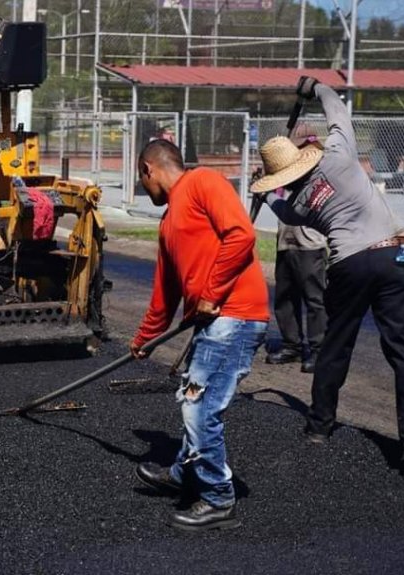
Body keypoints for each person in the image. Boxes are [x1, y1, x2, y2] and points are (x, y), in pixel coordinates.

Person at [250, 77, 404, 459]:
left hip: (348, 264)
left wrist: (266, 193)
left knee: (336, 344)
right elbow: (337, 110)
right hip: (392, 256)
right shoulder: (338, 155)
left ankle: (320, 425)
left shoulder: (302, 204)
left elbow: (283, 209)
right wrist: (316, 87)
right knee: (401, 349)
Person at [130, 139, 270, 531]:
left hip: (236, 316)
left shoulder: (205, 181)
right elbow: (166, 292)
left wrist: (211, 293)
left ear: (149, 169)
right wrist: (145, 338)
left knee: (200, 408)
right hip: (215, 322)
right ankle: (183, 473)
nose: (145, 189)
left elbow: (241, 235)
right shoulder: (167, 222)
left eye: (143, 181)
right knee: (193, 398)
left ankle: (217, 498)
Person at [265, 126, 327, 374]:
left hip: (310, 245)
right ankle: (292, 344)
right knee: (285, 298)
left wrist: (269, 196)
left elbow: (295, 210)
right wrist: (266, 190)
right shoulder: (284, 173)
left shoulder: (317, 175)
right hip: (286, 243)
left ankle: (319, 349)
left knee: (315, 299)